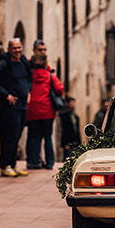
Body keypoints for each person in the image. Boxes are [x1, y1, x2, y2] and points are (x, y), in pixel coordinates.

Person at [0, 38, 32, 177]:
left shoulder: (24, 61)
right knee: (9, 137)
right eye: (14, 48)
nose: (17, 51)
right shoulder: (4, 64)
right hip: (10, 108)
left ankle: (13, 164)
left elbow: (29, 78)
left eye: (19, 48)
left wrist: (29, 90)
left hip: (23, 106)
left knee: (17, 136)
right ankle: (5, 165)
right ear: (9, 49)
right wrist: (6, 95)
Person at [26, 39, 64, 169]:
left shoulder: (29, 74)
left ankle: (33, 162)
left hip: (32, 109)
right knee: (47, 137)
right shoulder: (49, 75)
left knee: (34, 137)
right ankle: (50, 162)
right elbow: (60, 89)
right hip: (47, 110)